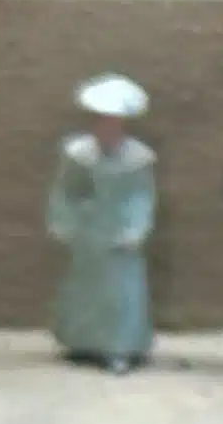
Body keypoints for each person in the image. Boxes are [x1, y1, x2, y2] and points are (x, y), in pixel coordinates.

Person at [45, 74, 156, 373]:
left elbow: (142, 196)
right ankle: (82, 342)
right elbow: (65, 189)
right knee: (85, 287)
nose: (107, 127)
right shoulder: (78, 153)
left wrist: (136, 228)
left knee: (121, 291)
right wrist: (63, 220)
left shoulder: (138, 158)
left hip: (119, 227)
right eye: (102, 120)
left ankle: (120, 347)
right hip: (88, 226)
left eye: (114, 121)